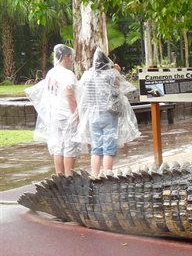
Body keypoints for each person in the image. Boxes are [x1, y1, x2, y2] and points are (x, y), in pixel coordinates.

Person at [75, 49, 140, 176]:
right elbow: (119, 86)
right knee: (108, 149)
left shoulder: (87, 76)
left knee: (96, 149)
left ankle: (94, 175)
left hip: (92, 116)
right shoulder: (110, 75)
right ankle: (107, 175)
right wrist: (116, 69)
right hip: (108, 115)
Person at [25, 44, 82, 175]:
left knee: (58, 147)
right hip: (67, 116)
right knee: (69, 147)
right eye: (71, 57)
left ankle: (59, 175)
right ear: (66, 57)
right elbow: (69, 94)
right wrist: (76, 114)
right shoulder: (68, 74)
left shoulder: (51, 73)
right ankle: (69, 177)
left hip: (54, 115)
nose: (72, 60)